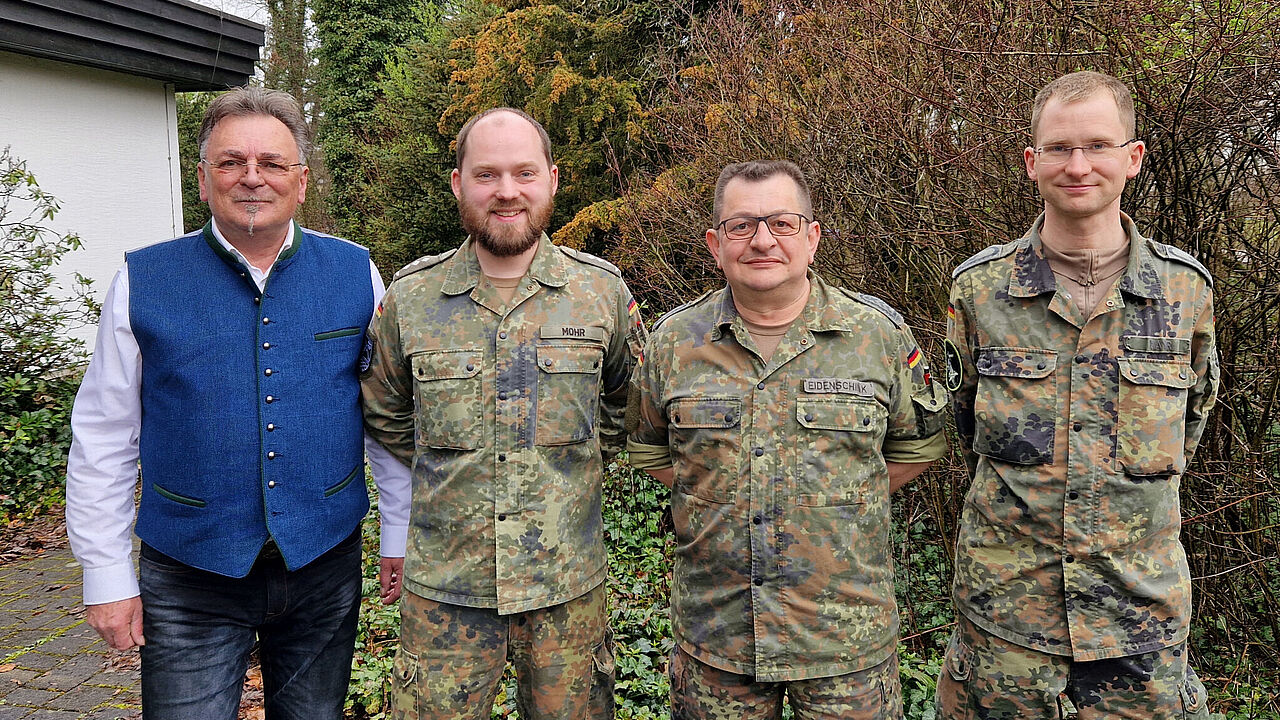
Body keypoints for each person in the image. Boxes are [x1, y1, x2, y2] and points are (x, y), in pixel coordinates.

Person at [65, 86, 411, 720]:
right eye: (231, 162)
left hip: (323, 566)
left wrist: (399, 528)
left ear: (301, 182)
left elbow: (383, 414)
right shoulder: (142, 281)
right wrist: (105, 574)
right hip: (189, 574)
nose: (252, 177)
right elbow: (104, 435)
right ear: (203, 180)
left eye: (272, 163)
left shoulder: (357, 273)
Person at [937, 70, 1219, 719]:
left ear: (1133, 158)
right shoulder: (979, 292)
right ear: (1031, 162)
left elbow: (1191, 424)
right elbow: (964, 421)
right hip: (1007, 619)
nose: (1078, 165)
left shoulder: (1186, 293)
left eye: (1097, 145)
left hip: (1139, 620)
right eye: (1059, 148)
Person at [627, 160, 949, 719]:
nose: (762, 241)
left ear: (812, 237)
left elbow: (918, 445)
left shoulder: (877, 336)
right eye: (741, 226)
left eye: (782, 223)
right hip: (718, 638)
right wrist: (723, 491)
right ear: (715, 244)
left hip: (844, 639)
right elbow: (649, 445)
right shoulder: (673, 344)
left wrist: (845, 497)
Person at [361, 107, 646, 719]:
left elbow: (630, 401)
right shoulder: (411, 298)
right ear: (458, 183)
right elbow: (383, 408)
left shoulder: (601, 293)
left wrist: (567, 462)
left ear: (553, 179)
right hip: (446, 596)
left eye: (524, 172)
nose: (507, 191)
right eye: (486, 174)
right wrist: (453, 463)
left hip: (567, 592)